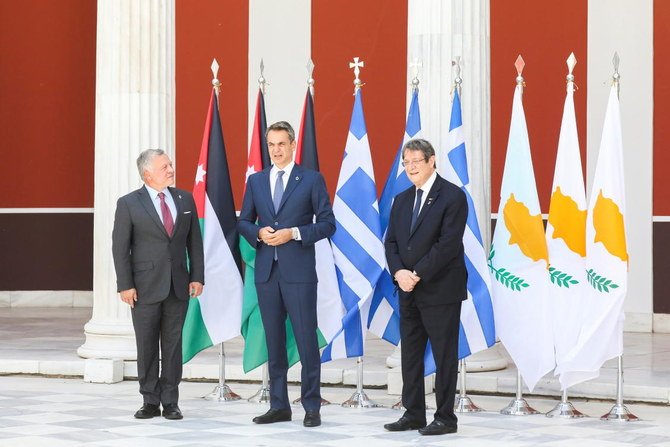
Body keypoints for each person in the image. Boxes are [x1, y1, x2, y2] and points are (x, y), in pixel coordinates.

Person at [238, 121, 335, 428]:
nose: (276, 150)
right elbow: (243, 221)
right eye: (271, 144)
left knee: (306, 341)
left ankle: (311, 406)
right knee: (274, 342)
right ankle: (279, 405)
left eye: (281, 144)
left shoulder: (310, 179)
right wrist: (258, 233)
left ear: (293, 145)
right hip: (267, 273)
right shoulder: (256, 181)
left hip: (299, 273)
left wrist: (293, 233)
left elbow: (328, 224)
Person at [383, 138, 467, 436]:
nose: (410, 168)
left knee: (444, 355)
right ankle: (414, 412)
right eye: (406, 163)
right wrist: (399, 273)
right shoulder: (402, 199)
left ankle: (445, 417)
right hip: (407, 288)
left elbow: (448, 244)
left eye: (416, 161)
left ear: (432, 161)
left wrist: (416, 273)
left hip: (440, 289)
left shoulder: (453, 196)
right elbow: (391, 241)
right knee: (411, 353)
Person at [112, 149, 204, 420]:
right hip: (143, 287)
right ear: (147, 173)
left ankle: (171, 401)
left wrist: (197, 276)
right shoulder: (129, 203)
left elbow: (194, 243)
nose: (171, 169)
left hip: (178, 285)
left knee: (174, 345)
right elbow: (120, 248)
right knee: (147, 345)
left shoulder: (185, 199)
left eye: (170, 164)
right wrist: (125, 285)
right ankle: (150, 400)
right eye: (165, 166)